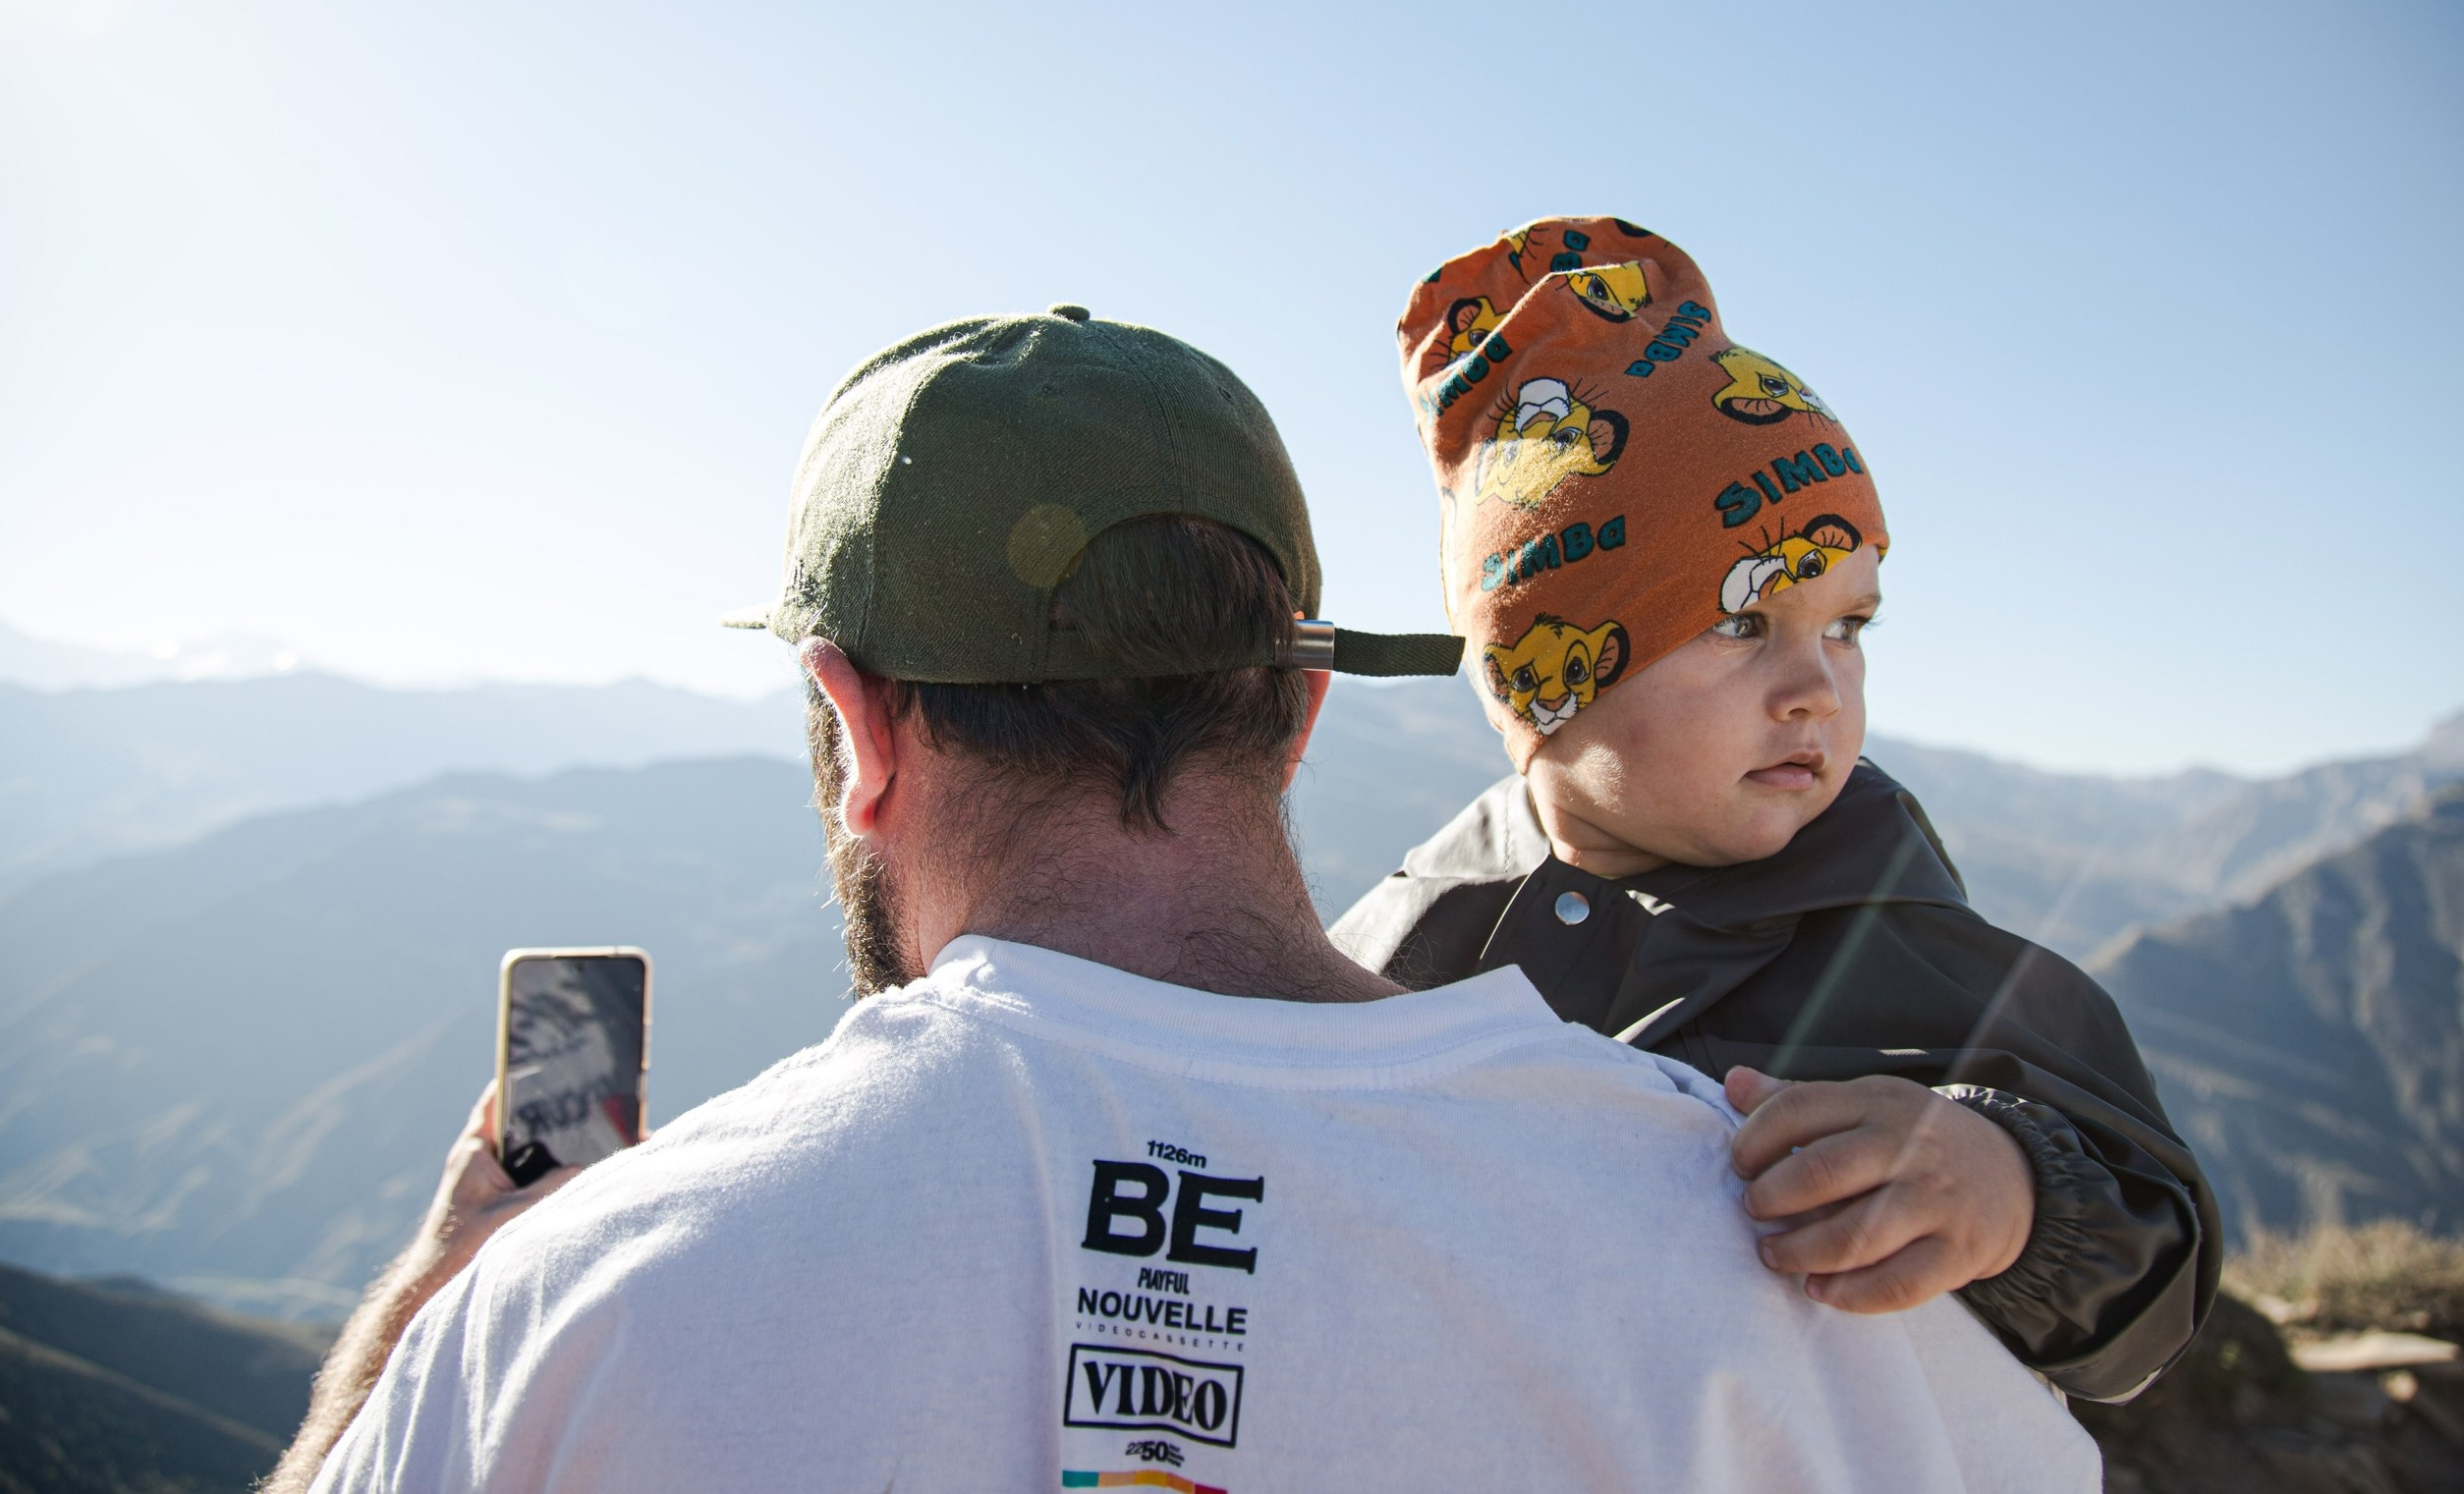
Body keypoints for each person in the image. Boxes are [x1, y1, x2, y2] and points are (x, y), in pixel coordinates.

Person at [276, 305, 2098, 1492]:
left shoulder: (577, 1308)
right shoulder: (1785, 1253)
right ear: (1297, 711)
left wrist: (439, 1291)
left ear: (856, 724)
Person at [1330, 217, 2220, 1404]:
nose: (1818, 690)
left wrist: (2011, 1192)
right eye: (1742, 625)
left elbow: (2150, 1263)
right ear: (1551, 672)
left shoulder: (1921, 952)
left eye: (1849, 626)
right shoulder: (1392, 955)